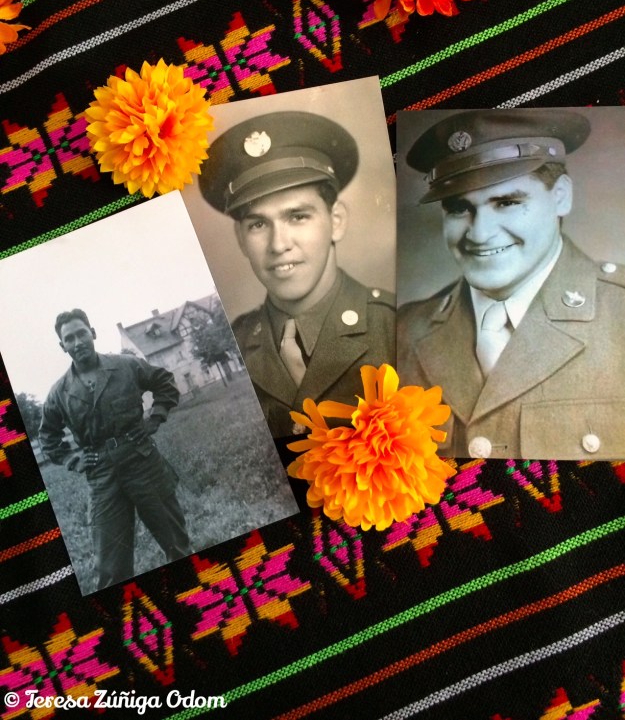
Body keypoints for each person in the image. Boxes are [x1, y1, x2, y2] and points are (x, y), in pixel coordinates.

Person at [397, 108, 625, 460]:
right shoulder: (403, 332)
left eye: (507, 202)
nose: (480, 233)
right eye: (459, 208)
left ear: (561, 196)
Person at [200, 110, 395, 438]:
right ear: (241, 240)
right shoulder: (238, 342)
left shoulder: (396, 327)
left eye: (298, 217)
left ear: (336, 221)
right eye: (258, 224)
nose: (279, 245)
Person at [39, 309, 190, 590]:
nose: (77, 342)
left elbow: (165, 383)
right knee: (111, 569)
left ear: (92, 333)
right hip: (102, 476)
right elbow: (47, 436)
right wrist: (74, 458)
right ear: (63, 347)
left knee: (177, 545)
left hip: (143, 462)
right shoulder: (59, 392)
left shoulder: (126, 366)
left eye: (81, 333)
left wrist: (154, 419)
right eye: (69, 338)